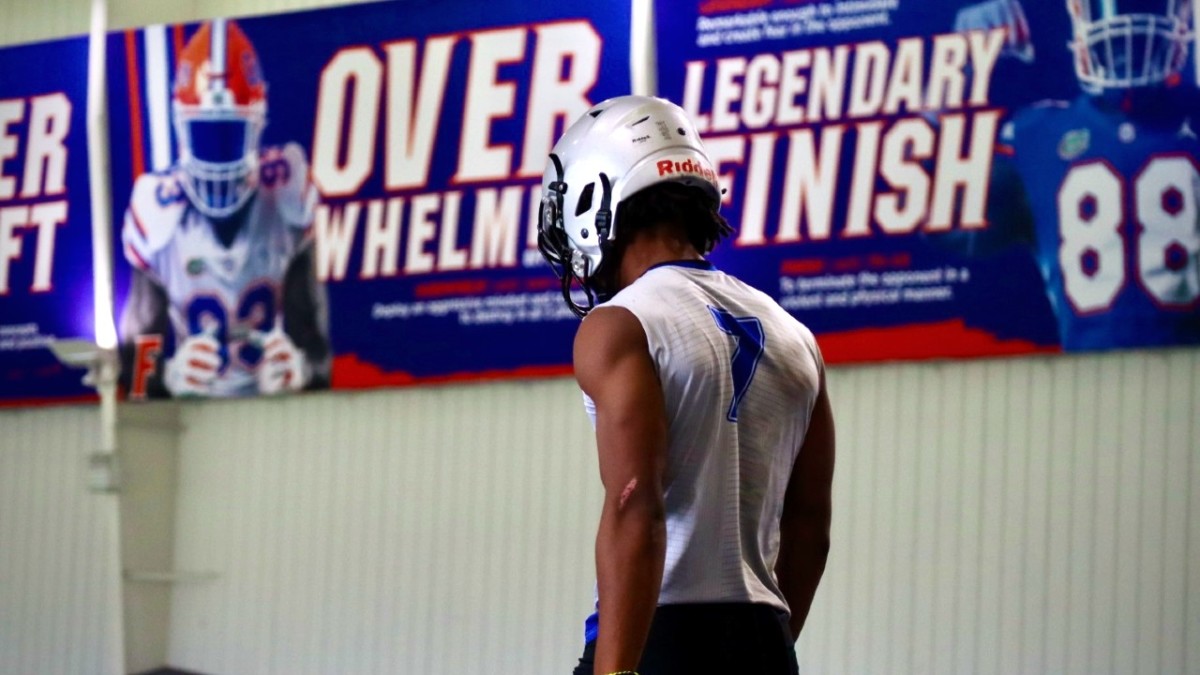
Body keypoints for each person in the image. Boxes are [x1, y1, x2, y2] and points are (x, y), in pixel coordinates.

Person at [537, 95, 835, 675]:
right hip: (765, 638)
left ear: (594, 195)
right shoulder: (797, 336)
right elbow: (809, 527)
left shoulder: (620, 324)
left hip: (662, 633)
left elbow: (635, 505)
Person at [950, 0, 1200, 349]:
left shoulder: (1035, 133)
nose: (1123, 26)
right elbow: (940, 220)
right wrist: (955, 73)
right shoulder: (1035, 134)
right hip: (1086, 385)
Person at [119, 18, 330, 398]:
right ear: (182, 130)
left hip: (276, 411)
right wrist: (165, 376)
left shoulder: (286, 196)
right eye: (205, 134)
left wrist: (301, 372)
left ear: (258, 128)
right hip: (190, 414)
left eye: (230, 136)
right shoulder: (157, 211)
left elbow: (320, 349)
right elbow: (131, 365)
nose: (217, 156)